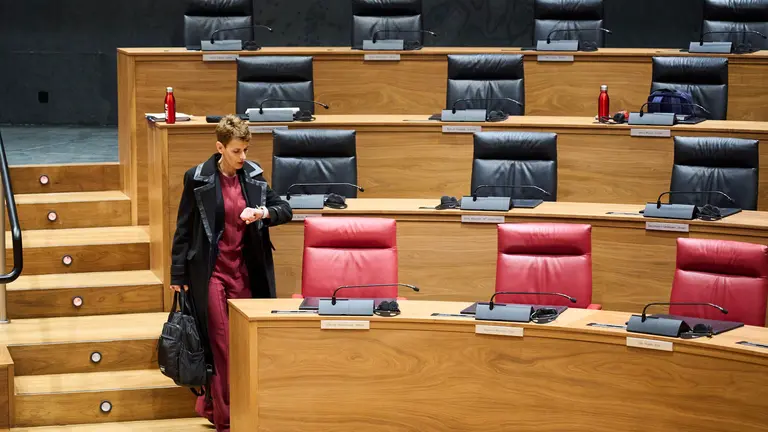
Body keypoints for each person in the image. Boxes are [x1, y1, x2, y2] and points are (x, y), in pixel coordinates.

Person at [169, 115, 292, 432]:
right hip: (211, 273)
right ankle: (227, 420)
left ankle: (221, 407)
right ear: (220, 147)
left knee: (242, 343)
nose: (243, 157)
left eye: (246, 150)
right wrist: (178, 274)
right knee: (221, 344)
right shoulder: (197, 178)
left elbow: (285, 210)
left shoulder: (253, 175)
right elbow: (183, 229)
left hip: (245, 272)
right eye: (237, 151)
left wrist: (262, 212)